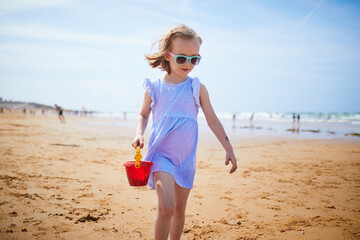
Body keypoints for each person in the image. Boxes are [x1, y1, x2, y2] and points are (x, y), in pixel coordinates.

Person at [131, 24, 237, 240]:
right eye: (181, 58)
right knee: (167, 207)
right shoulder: (154, 87)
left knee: (179, 209)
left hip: (186, 159)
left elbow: (212, 120)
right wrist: (139, 133)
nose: (188, 64)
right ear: (168, 56)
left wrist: (228, 147)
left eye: (194, 59)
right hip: (161, 155)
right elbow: (142, 114)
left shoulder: (197, 88)